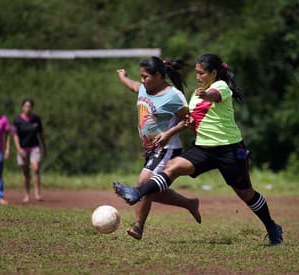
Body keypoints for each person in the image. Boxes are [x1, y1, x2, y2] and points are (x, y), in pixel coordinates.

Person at [114, 54, 283, 246]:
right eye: (196, 73)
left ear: (213, 72)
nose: (197, 77)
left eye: (201, 73)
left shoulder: (220, 87)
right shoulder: (195, 93)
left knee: (246, 194)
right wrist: (172, 130)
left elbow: (214, 97)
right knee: (173, 166)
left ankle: (272, 228)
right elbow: (190, 119)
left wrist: (206, 95)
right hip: (203, 148)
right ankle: (137, 193)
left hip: (228, 150)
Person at [116, 56, 201, 240]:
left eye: (145, 76)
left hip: (168, 148)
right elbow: (132, 85)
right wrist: (122, 76)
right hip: (151, 150)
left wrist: (168, 134)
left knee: (143, 184)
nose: (142, 80)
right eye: (141, 76)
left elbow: (188, 120)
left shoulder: (173, 96)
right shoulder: (143, 89)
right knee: (153, 190)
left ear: (158, 76)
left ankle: (138, 227)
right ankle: (189, 203)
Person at [13, 99, 46, 203]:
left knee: (36, 169)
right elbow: (15, 136)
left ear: (32, 107)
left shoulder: (36, 119)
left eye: (30, 106)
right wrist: (18, 149)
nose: (28, 108)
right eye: (26, 106)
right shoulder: (17, 120)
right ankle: (26, 195)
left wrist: (44, 147)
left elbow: (41, 135)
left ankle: (37, 194)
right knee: (26, 173)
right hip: (23, 148)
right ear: (22, 107)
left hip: (34, 148)